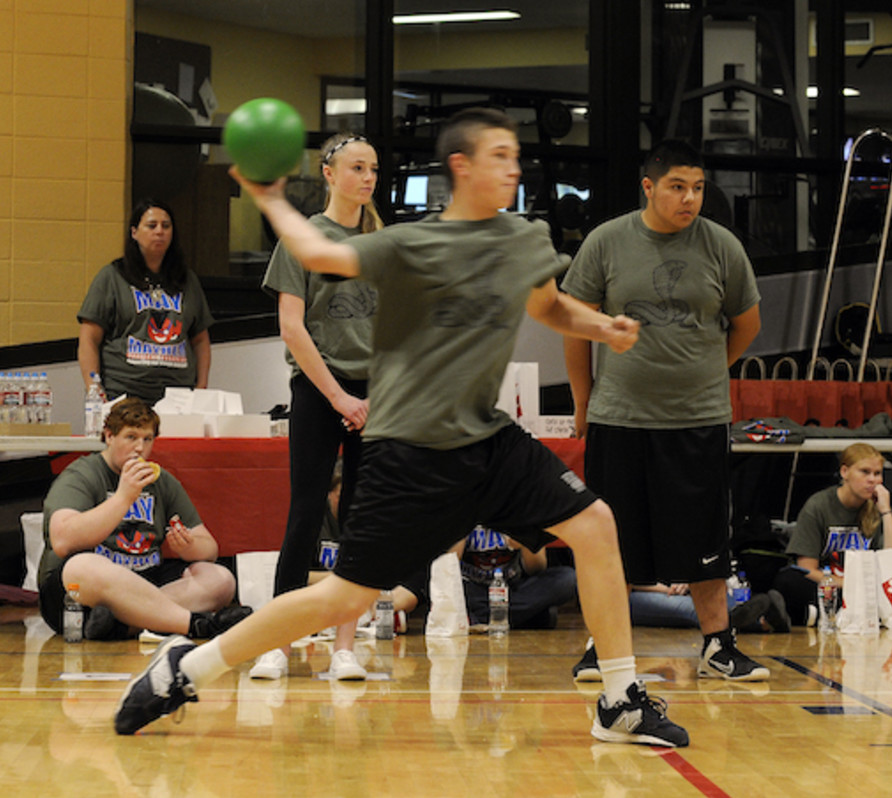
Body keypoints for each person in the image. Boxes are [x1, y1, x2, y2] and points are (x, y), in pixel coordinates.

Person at [115, 107, 688, 748]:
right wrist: (270, 196)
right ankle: (184, 668)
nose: (514, 166)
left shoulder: (522, 238)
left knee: (595, 524)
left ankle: (619, 700)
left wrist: (601, 326)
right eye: (499, 155)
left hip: (489, 440)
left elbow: (548, 304)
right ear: (461, 167)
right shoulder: (409, 244)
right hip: (411, 454)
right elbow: (314, 249)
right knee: (341, 599)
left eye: (515, 156)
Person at [561, 138, 768, 683]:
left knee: (704, 537)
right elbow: (575, 325)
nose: (689, 198)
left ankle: (719, 645)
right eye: (678, 186)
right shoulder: (607, 242)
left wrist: (703, 369)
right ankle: (602, 650)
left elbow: (746, 324)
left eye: (698, 188)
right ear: (649, 187)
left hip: (698, 418)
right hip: (620, 416)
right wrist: (583, 401)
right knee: (613, 539)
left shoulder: (722, 246)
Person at [250, 133, 382, 682]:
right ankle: (276, 642)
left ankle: (345, 645)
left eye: (374, 168)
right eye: (357, 167)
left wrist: (377, 395)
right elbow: (291, 325)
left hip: (375, 397)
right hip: (319, 389)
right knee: (306, 511)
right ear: (329, 174)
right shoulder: (301, 238)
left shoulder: (382, 243)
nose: (368, 177)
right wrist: (338, 397)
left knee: (358, 515)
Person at [38, 397, 251, 640]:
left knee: (221, 579)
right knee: (82, 566)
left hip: (144, 578)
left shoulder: (162, 481)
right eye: (131, 437)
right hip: (79, 595)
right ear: (109, 436)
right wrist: (122, 499)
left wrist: (190, 546)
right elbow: (63, 540)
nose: (140, 448)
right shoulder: (81, 475)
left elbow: (209, 549)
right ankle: (197, 625)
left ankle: (121, 625)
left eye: (147, 439)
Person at [77, 199, 214, 406]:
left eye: (166, 226)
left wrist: (201, 388)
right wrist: (93, 389)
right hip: (124, 392)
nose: (160, 231)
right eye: (151, 225)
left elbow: (201, 340)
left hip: (178, 396)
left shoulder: (187, 280)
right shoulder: (112, 277)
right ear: (134, 232)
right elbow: (89, 338)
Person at [772, 442, 892, 625]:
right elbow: (807, 568)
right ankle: (843, 614)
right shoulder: (819, 505)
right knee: (788, 580)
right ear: (844, 472)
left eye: (877, 473)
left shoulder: (880, 508)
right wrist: (849, 584)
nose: (872, 480)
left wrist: (886, 512)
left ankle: (814, 616)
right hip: (830, 585)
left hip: (867, 588)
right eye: (865, 472)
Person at [455, 525, 577, 630]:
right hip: (471, 590)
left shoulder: (520, 510)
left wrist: (526, 542)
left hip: (511, 589)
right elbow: (448, 565)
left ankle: (478, 618)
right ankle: (526, 617)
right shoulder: (464, 507)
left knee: (568, 579)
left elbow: (537, 569)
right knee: (442, 589)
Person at [628, 583, 790, 634]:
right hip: (634, 593)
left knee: (718, 595)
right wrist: (667, 588)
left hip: (681, 587)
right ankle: (763, 622)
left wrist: (689, 581)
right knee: (693, 609)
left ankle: (766, 620)